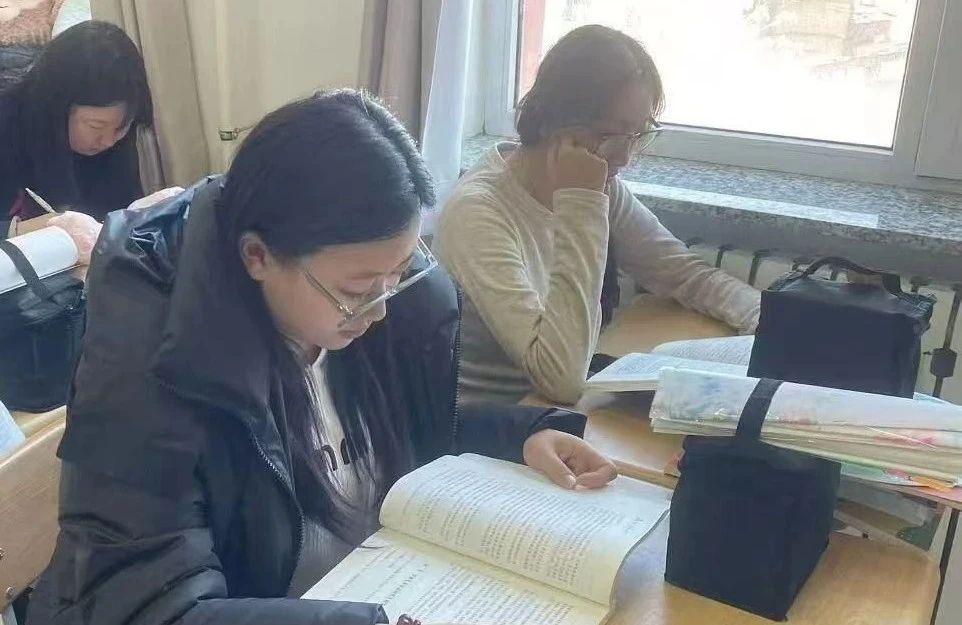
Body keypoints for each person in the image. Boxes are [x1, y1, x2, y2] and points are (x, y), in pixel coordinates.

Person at [26, 90, 615, 625]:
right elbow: (152, 608)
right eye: (357, 290)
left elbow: (397, 436)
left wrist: (520, 436)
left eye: (399, 274)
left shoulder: (372, 310)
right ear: (257, 256)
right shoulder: (153, 374)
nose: (380, 309)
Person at [434, 24, 761, 406]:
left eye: (639, 135)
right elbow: (560, 378)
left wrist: (767, 321)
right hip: (495, 420)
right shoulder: (478, 212)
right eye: (612, 134)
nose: (625, 157)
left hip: (559, 406)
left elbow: (683, 273)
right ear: (555, 123)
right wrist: (581, 205)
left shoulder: (600, 182)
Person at [0, 20, 152, 230]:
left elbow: (122, 211)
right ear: (57, 106)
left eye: (121, 127)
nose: (108, 141)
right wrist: (20, 230)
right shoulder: (8, 125)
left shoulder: (115, 135)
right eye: (96, 126)